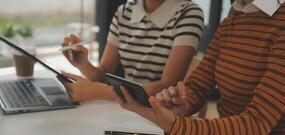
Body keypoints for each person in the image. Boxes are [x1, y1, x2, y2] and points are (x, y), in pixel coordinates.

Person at [115, 0, 285, 135]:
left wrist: (180, 127)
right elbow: (198, 86)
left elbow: (258, 122)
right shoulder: (236, 15)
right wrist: (182, 103)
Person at [59, 0, 204, 102]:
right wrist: (83, 64)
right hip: (124, 106)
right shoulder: (124, 12)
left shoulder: (189, 14)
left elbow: (166, 86)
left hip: (161, 112)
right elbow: (103, 74)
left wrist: (98, 91)